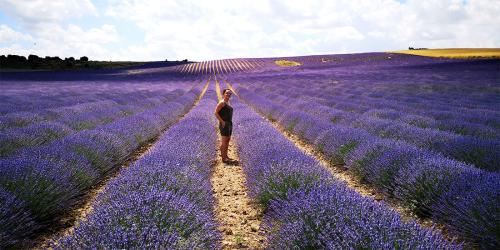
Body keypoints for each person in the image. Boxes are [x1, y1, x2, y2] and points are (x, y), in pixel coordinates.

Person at [214, 89, 234, 163]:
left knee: (228, 140)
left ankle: (226, 156)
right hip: (224, 124)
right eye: (227, 93)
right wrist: (222, 122)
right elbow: (216, 113)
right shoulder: (222, 103)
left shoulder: (228, 102)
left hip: (229, 123)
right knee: (224, 141)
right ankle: (223, 158)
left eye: (229, 94)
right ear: (223, 94)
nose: (228, 95)